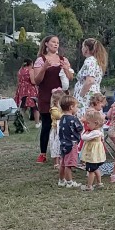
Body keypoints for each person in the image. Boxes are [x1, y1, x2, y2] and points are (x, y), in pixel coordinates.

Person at [33, 35, 73, 164]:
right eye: (53, 42)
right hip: (46, 96)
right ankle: (43, 153)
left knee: (63, 124)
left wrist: (66, 68)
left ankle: (62, 152)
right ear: (46, 44)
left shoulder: (63, 59)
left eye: (57, 42)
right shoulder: (40, 60)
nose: (56, 44)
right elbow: (37, 81)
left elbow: (70, 78)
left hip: (61, 97)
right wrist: (44, 68)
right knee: (46, 125)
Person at [74, 38, 108, 118]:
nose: (82, 49)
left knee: (85, 116)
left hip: (86, 95)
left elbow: (89, 80)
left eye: (83, 46)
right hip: (93, 93)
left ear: (86, 48)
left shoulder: (90, 61)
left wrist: (81, 95)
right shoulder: (96, 61)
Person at [57, 95, 83, 188]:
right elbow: (80, 128)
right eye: (76, 106)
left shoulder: (62, 118)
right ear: (71, 107)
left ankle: (61, 180)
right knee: (69, 165)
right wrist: (82, 121)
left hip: (63, 144)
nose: (77, 108)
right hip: (72, 144)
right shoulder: (73, 119)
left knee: (63, 164)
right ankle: (69, 182)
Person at [80, 110, 106, 191]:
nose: (87, 125)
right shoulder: (99, 131)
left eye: (88, 123)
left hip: (92, 155)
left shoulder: (95, 132)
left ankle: (89, 186)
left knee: (91, 171)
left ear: (96, 123)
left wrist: (83, 130)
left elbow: (83, 137)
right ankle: (99, 183)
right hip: (95, 155)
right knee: (96, 169)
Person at [13, 59, 40, 128]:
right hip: (30, 90)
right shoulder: (30, 70)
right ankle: (37, 123)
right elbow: (33, 81)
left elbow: (19, 80)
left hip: (21, 89)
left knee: (23, 107)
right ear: (31, 64)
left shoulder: (20, 70)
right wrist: (38, 82)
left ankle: (21, 123)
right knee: (35, 107)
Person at [48, 89, 64, 169]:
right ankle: (56, 163)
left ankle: (62, 161)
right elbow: (59, 116)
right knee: (55, 146)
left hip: (61, 130)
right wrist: (65, 112)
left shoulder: (62, 109)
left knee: (61, 146)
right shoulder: (54, 109)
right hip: (56, 131)